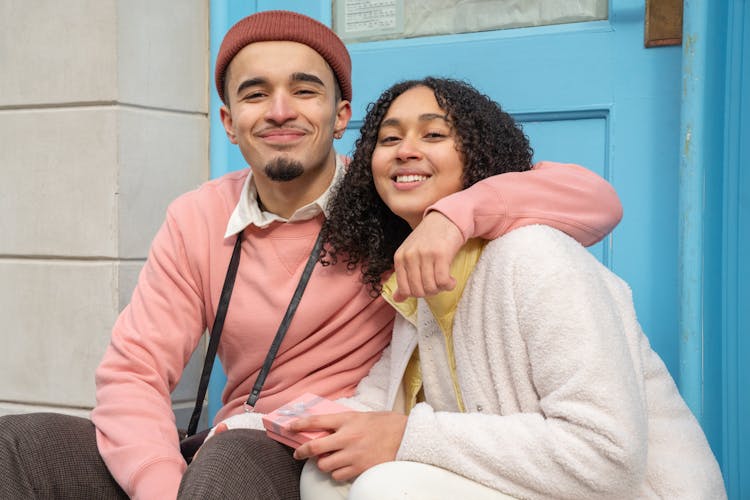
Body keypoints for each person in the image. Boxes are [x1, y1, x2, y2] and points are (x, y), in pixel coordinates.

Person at [0, 12, 622, 500]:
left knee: (229, 464)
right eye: (255, 94)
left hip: (313, 451)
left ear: (340, 114)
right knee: (20, 446)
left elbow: (592, 198)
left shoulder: (387, 194)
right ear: (228, 120)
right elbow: (134, 373)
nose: (279, 111)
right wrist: (164, 484)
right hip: (220, 445)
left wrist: (449, 218)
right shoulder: (197, 216)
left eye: (304, 90)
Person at [286, 78, 726, 499]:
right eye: (388, 139)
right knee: (327, 478)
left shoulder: (535, 256)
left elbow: (607, 456)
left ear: (477, 153)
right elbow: (372, 405)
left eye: (434, 134)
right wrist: (263, 422)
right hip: (529, 485)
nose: (406, 151)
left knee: (383, 488)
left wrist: (407, 437)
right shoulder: (417, 289)